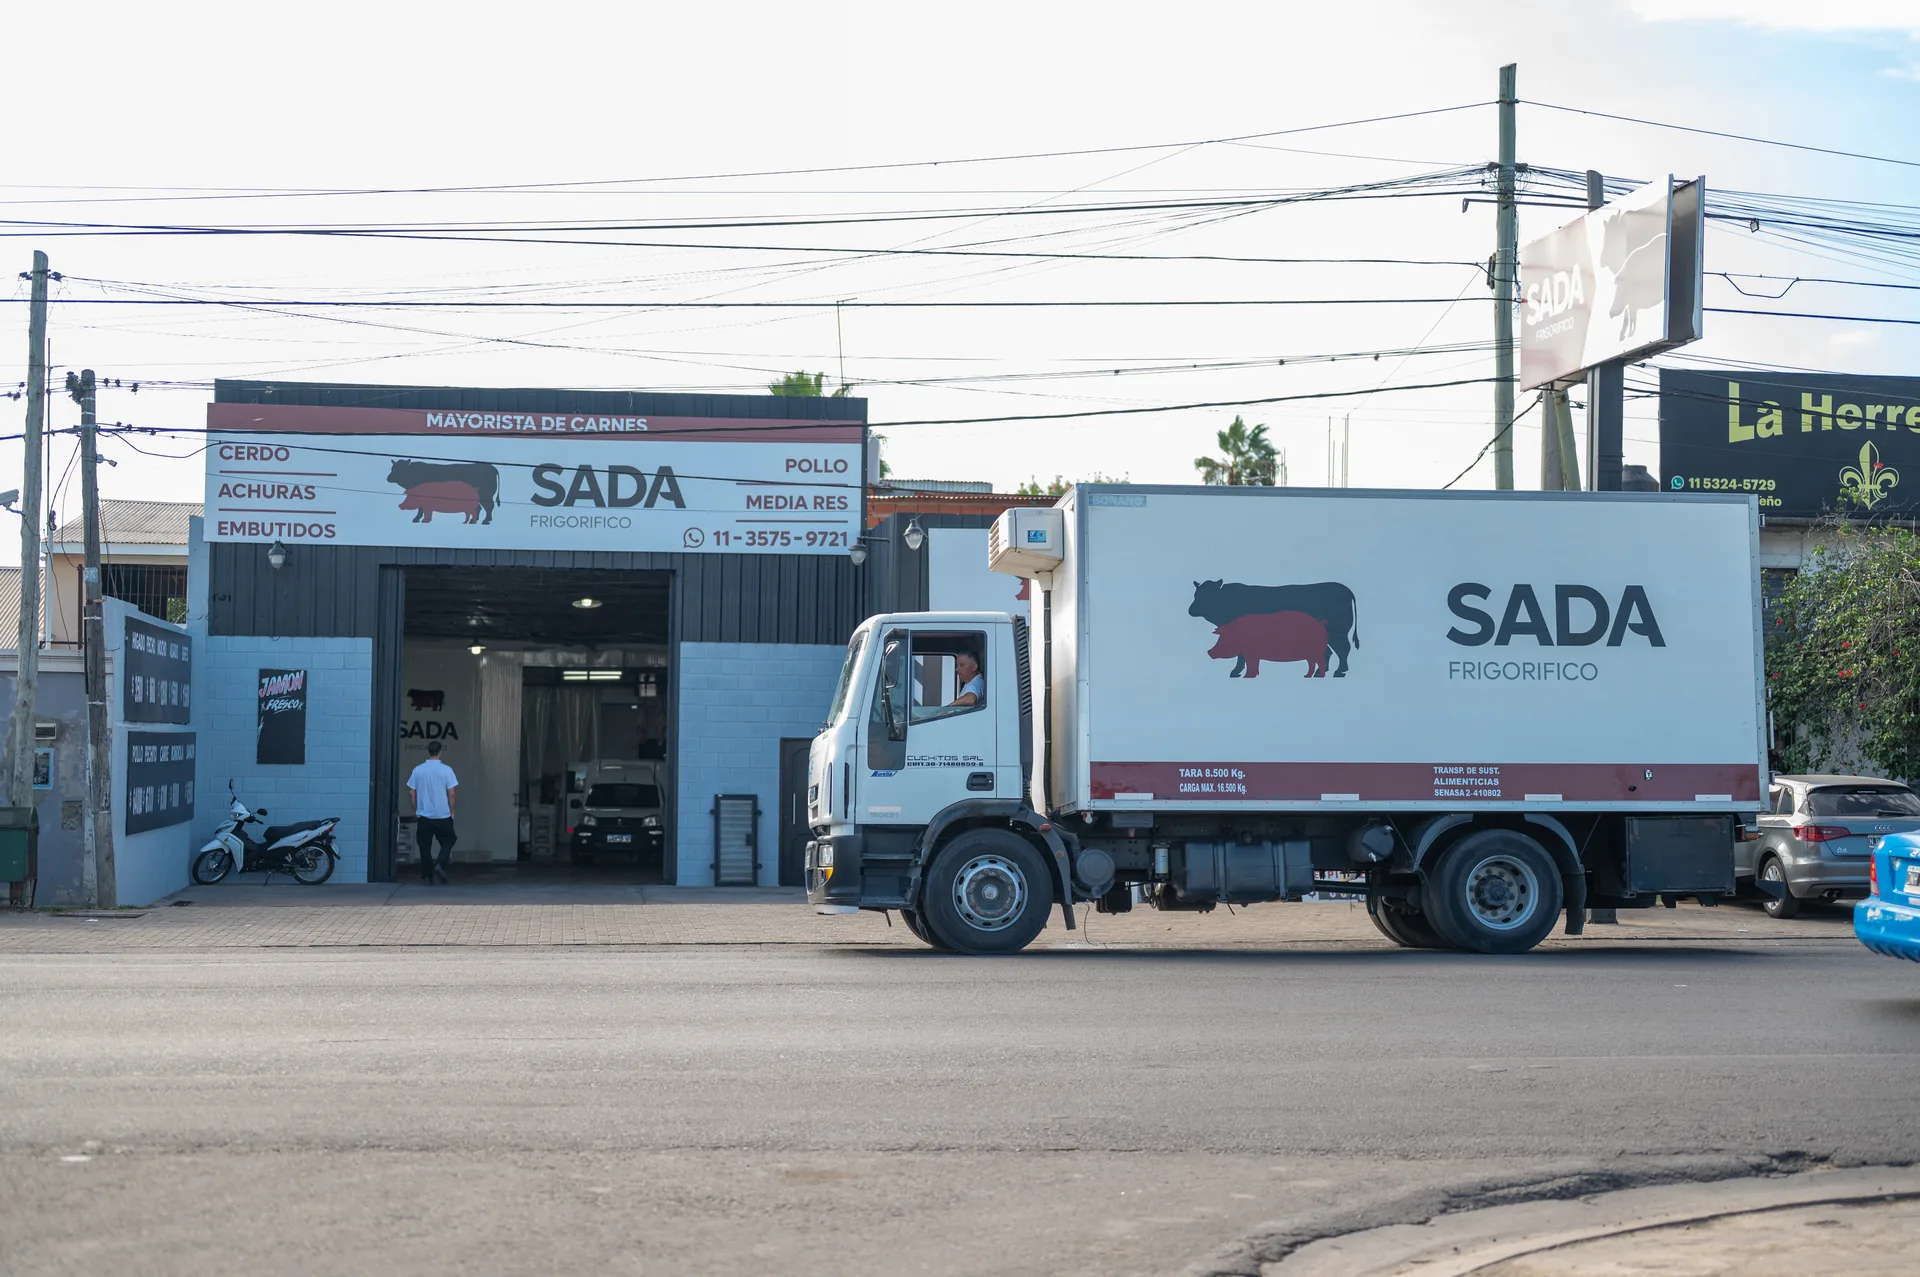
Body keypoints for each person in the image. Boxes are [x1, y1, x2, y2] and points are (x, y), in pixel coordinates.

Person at [408, 740, 458, 885]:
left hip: (424, 816)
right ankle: (440, 864)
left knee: (424, 846)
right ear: (440, 751)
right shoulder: (447, 770)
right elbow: (452, 793)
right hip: (443, 815)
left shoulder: (418, 770)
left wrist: (417, 809)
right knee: (449, 839)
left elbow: (411, 793)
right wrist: (452, 810)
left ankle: (427, 875)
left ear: (428, 751)